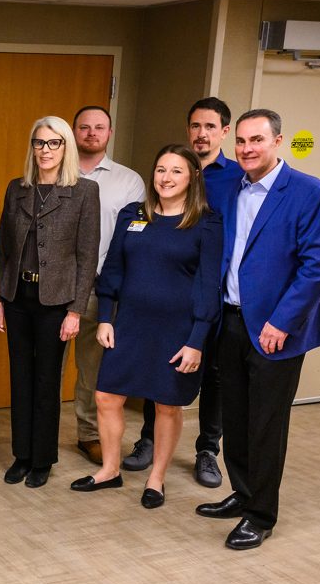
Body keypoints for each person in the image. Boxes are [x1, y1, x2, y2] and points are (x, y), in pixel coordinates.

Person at [196, 109, 320, 550]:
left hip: (276, 330)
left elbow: (318, 265)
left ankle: (261, 514)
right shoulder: (233, 187)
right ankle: (243, 492)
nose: (247, 148)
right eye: (242, 141)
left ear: (278, 142)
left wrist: (282, 322)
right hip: (231, 320)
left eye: (257, 140)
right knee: (234, 417)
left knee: (266, 424)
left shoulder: (309, 191)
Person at [70, 145, 223, 508]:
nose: (166, 178)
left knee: (167, 405)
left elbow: (208, 286)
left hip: (177, 330)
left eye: (176, 171)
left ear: (193, 178)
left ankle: (156, 479)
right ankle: (110, 470)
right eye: (160, 170)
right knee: (107, 396)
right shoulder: (132, 214)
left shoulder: (207, 222)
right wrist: (104, 318)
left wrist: (197, 340)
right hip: (129, 324)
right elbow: (113, 270)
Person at [127, 97, 245, 488]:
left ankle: (207, 450)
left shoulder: (237, 177)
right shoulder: (174, 171)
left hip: (218, 290)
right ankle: (148, 439)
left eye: (210, 127)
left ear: (224, 132)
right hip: (173, 291)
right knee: (159, 365)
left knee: (214, 374)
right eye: (195, 126)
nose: (201, 133)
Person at [0, 116, 100, 488]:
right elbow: (6, 250)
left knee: (46, 381)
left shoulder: (84, 192)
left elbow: (87, 257)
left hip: (57, 302)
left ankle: (42, 459)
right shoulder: (17, 188)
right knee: (20, 379)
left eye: (54, 143)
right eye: (39, 142)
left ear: (65, 147)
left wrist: (76, 310)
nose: (46, 150)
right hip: (17, 297)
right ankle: (21, 455)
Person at [69, 106, 145, 468]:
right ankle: (38, 436)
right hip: (57, 287)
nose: (91, 133)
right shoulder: (56, 171)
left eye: (99, 127)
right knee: (46, 366)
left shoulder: (129, 182)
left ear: (109, 133)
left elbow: (135, 238)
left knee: (92, 369)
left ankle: (88, 434)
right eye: (84, 127)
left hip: (101, 289)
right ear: (74, 131)